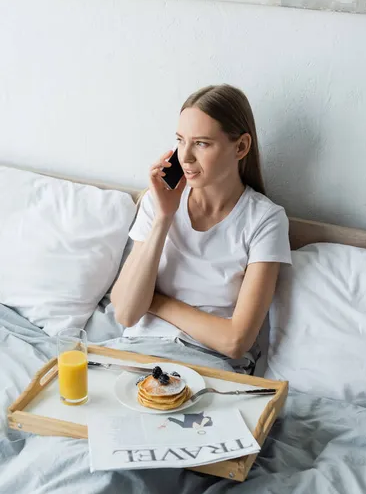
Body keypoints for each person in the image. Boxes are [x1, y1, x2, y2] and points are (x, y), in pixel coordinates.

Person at [111, 84, 291, 374]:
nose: (186, 157)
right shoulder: (157, 201)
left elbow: (235, 341)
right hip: (138, 352)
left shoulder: (265, 220)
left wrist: (155, 302)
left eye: (202, 143)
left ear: (241, 147)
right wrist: (164, 218)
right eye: (181, 141)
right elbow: (127, 312)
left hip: (208, 364)